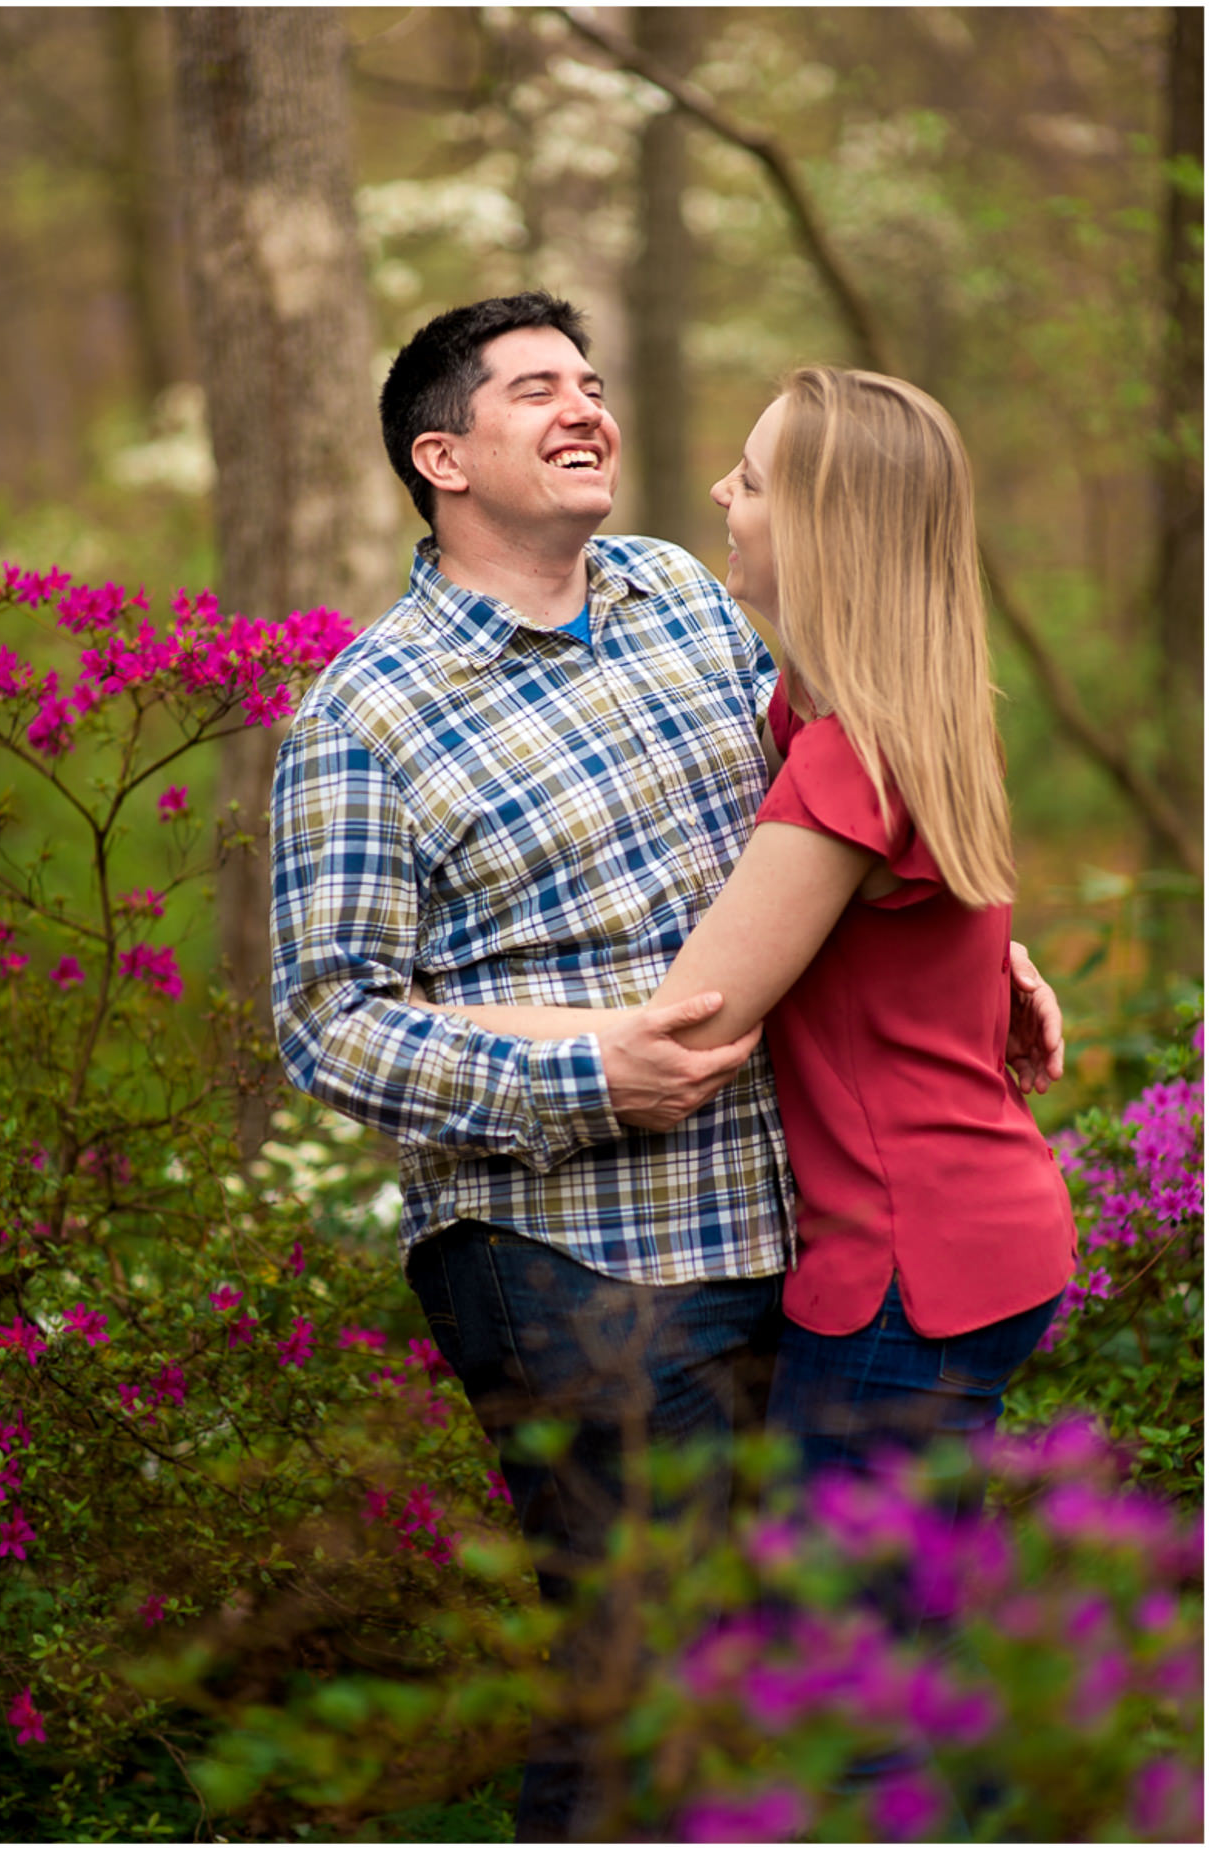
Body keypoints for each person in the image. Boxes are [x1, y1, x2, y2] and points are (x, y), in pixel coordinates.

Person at [266, 296, 1061, 1839]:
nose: (586, 410)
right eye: (532, 393)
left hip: (799, 1232)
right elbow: (330, 1020)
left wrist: (975, 942)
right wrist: (581, 1069)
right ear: (442, 456)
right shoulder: (365, 716)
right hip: (581, 1260)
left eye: (593, 381)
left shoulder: (682, 596)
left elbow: (852, 814)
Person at [423, 367, 1073, 1484]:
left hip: (904, 1268)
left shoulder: (844, 759)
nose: (722, 489)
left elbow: (687, 1022)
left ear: (827, 531)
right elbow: (901, 923)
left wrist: (441, 1015)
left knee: (844, 1644)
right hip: (980, 1216)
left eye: (757, 481)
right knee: (903, 1611)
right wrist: (984, 970)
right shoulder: (875, 704)